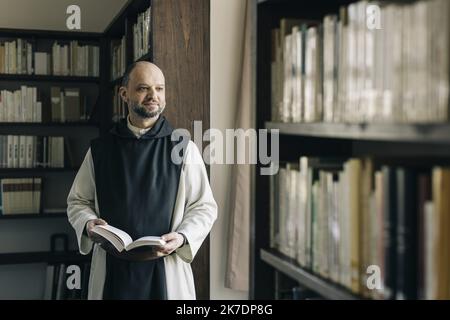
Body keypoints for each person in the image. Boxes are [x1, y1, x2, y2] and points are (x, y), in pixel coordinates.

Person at [67, 61, 218, 299]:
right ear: (124, 94)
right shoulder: (100, 150)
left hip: (165, 271)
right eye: (143, 88)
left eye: (159, 88)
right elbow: (78, 201)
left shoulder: (183, 148)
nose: (153, 96)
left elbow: (204, 207)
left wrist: (182, 237)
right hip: (112, 271)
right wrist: (88, 223)